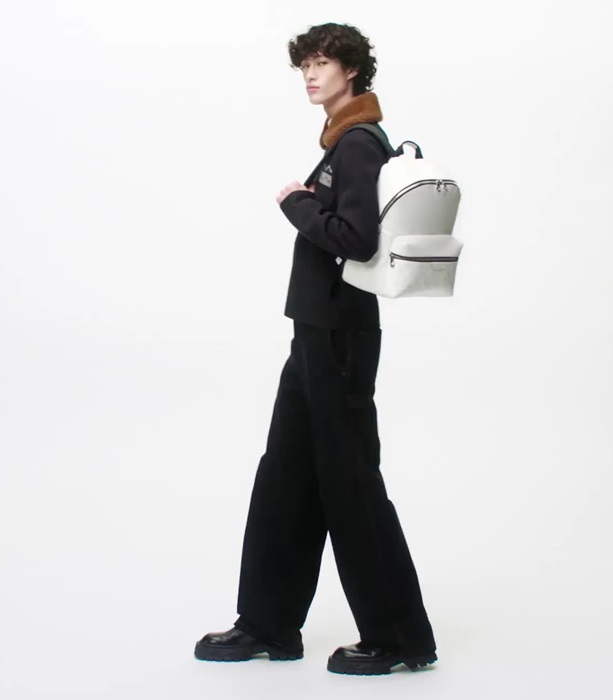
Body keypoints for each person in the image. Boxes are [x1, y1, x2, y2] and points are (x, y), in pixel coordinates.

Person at [194, 22, 437, 676]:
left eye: (323, 63)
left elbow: (356, 239)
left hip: (339, 339)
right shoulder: (342, 139)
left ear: (350, 71)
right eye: (305, 64)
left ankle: (399, 638)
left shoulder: (357, 144)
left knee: (351, 484)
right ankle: (268, 625)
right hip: (315, 334)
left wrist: (298, 205)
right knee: (286, 478)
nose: (310, 74)